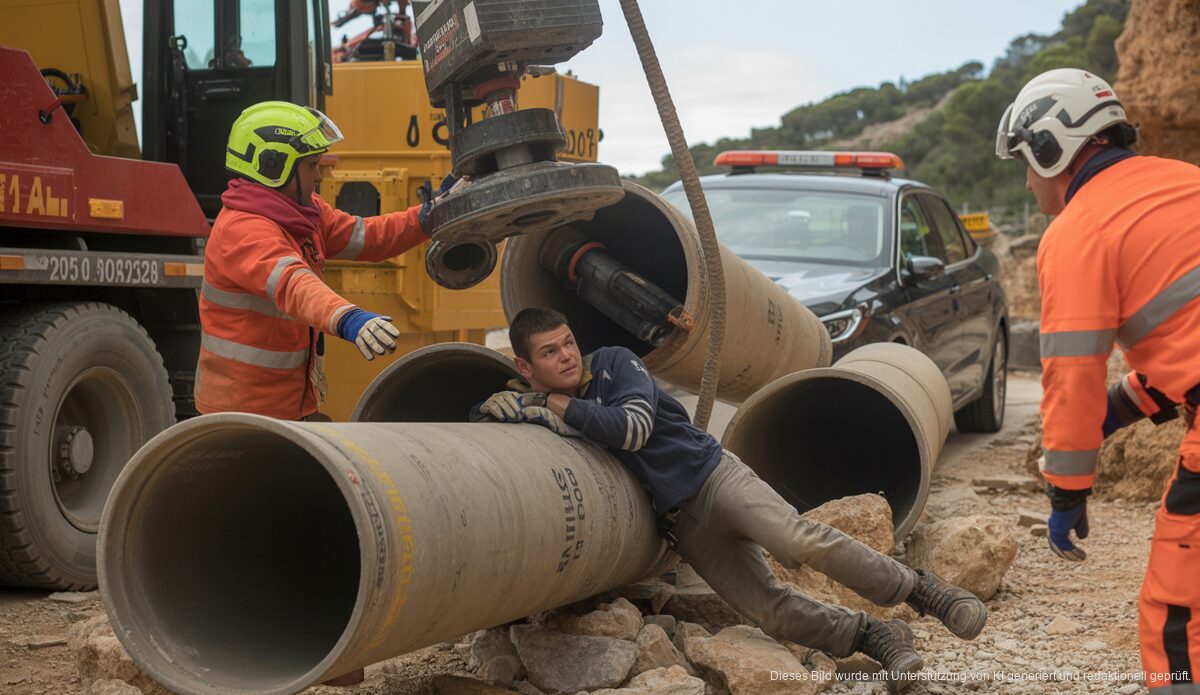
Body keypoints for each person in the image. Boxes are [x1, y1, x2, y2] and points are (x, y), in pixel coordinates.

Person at [476, 307, 988, 692]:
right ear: (524, 364)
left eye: (567, 343)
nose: (566, 355)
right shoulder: (545, 401)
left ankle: (922, 592)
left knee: (796, 538)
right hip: (683, 524)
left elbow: (632, 430)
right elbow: (482, 421)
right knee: (770, 611)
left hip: (713, 476)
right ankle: (874, 638)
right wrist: (507, 411)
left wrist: (551, 403)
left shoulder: (613, 364)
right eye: (549, 352)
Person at [995, 68, 1200, 690]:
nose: (1029, 183)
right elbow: (1186, 344)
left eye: (1028, 164)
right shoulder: (1184, 182)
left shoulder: (1077, 233)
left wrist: (1066, 488)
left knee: (1175, 616)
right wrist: (1123, 407)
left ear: (1053, 145)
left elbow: (1070, 376)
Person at [197, 100, 454, 422]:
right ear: (273, 166)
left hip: (289, 405)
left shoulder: (304, 213)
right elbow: (295, 284)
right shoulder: (243, 230)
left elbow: (368, 237)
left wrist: (430, 215)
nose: (319, 175)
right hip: (240, 415)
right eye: (311, 165)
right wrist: (348, 318)